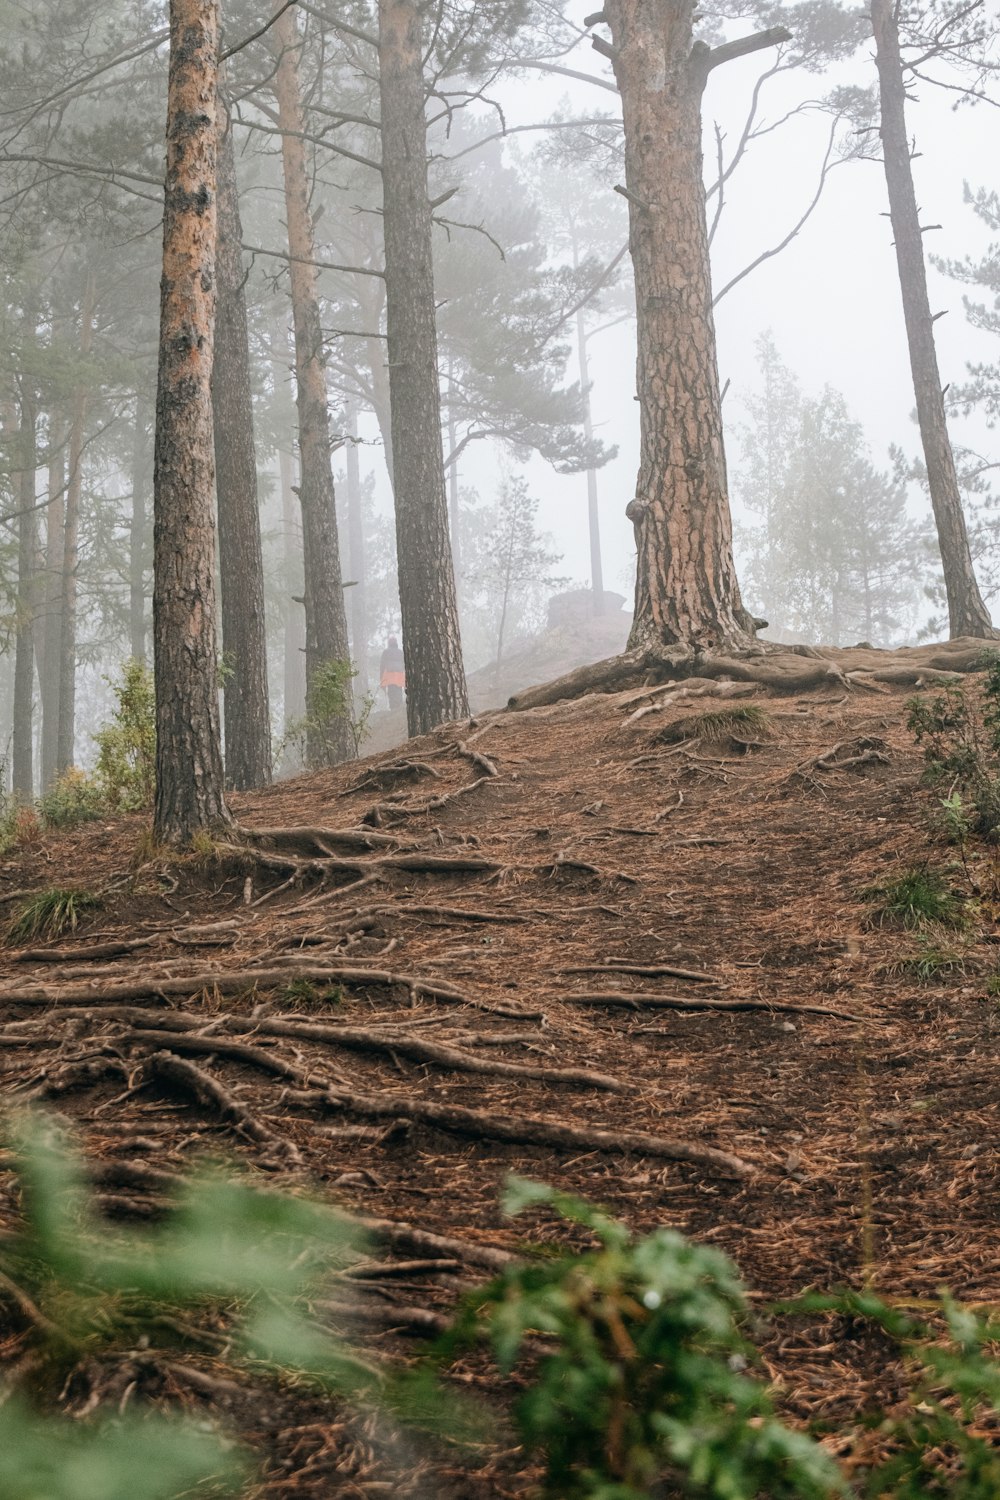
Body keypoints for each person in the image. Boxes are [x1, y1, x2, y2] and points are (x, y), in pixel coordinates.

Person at [380, 635, 405, 712]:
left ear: (389, 643)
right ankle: (399, 707)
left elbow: (382, 665)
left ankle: (393, 708)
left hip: (390, 676)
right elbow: (404, 664)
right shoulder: (400, 652)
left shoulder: (386, 652)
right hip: (399, 676)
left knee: (391, 692)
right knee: (399, 691)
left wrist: (381, 678)